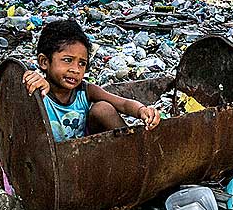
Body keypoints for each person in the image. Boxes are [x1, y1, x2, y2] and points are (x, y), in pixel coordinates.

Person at [23, 20, 161, 142]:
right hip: (46, 161)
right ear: (44, 62)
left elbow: (123, 104)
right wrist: (33, 84)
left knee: (103, 109)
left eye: (82, 63)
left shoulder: (85, 91)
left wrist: (142, 110)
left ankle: (133, 152)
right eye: (67, 60)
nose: (76, 70)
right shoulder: (37, 91)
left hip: (85, 155)